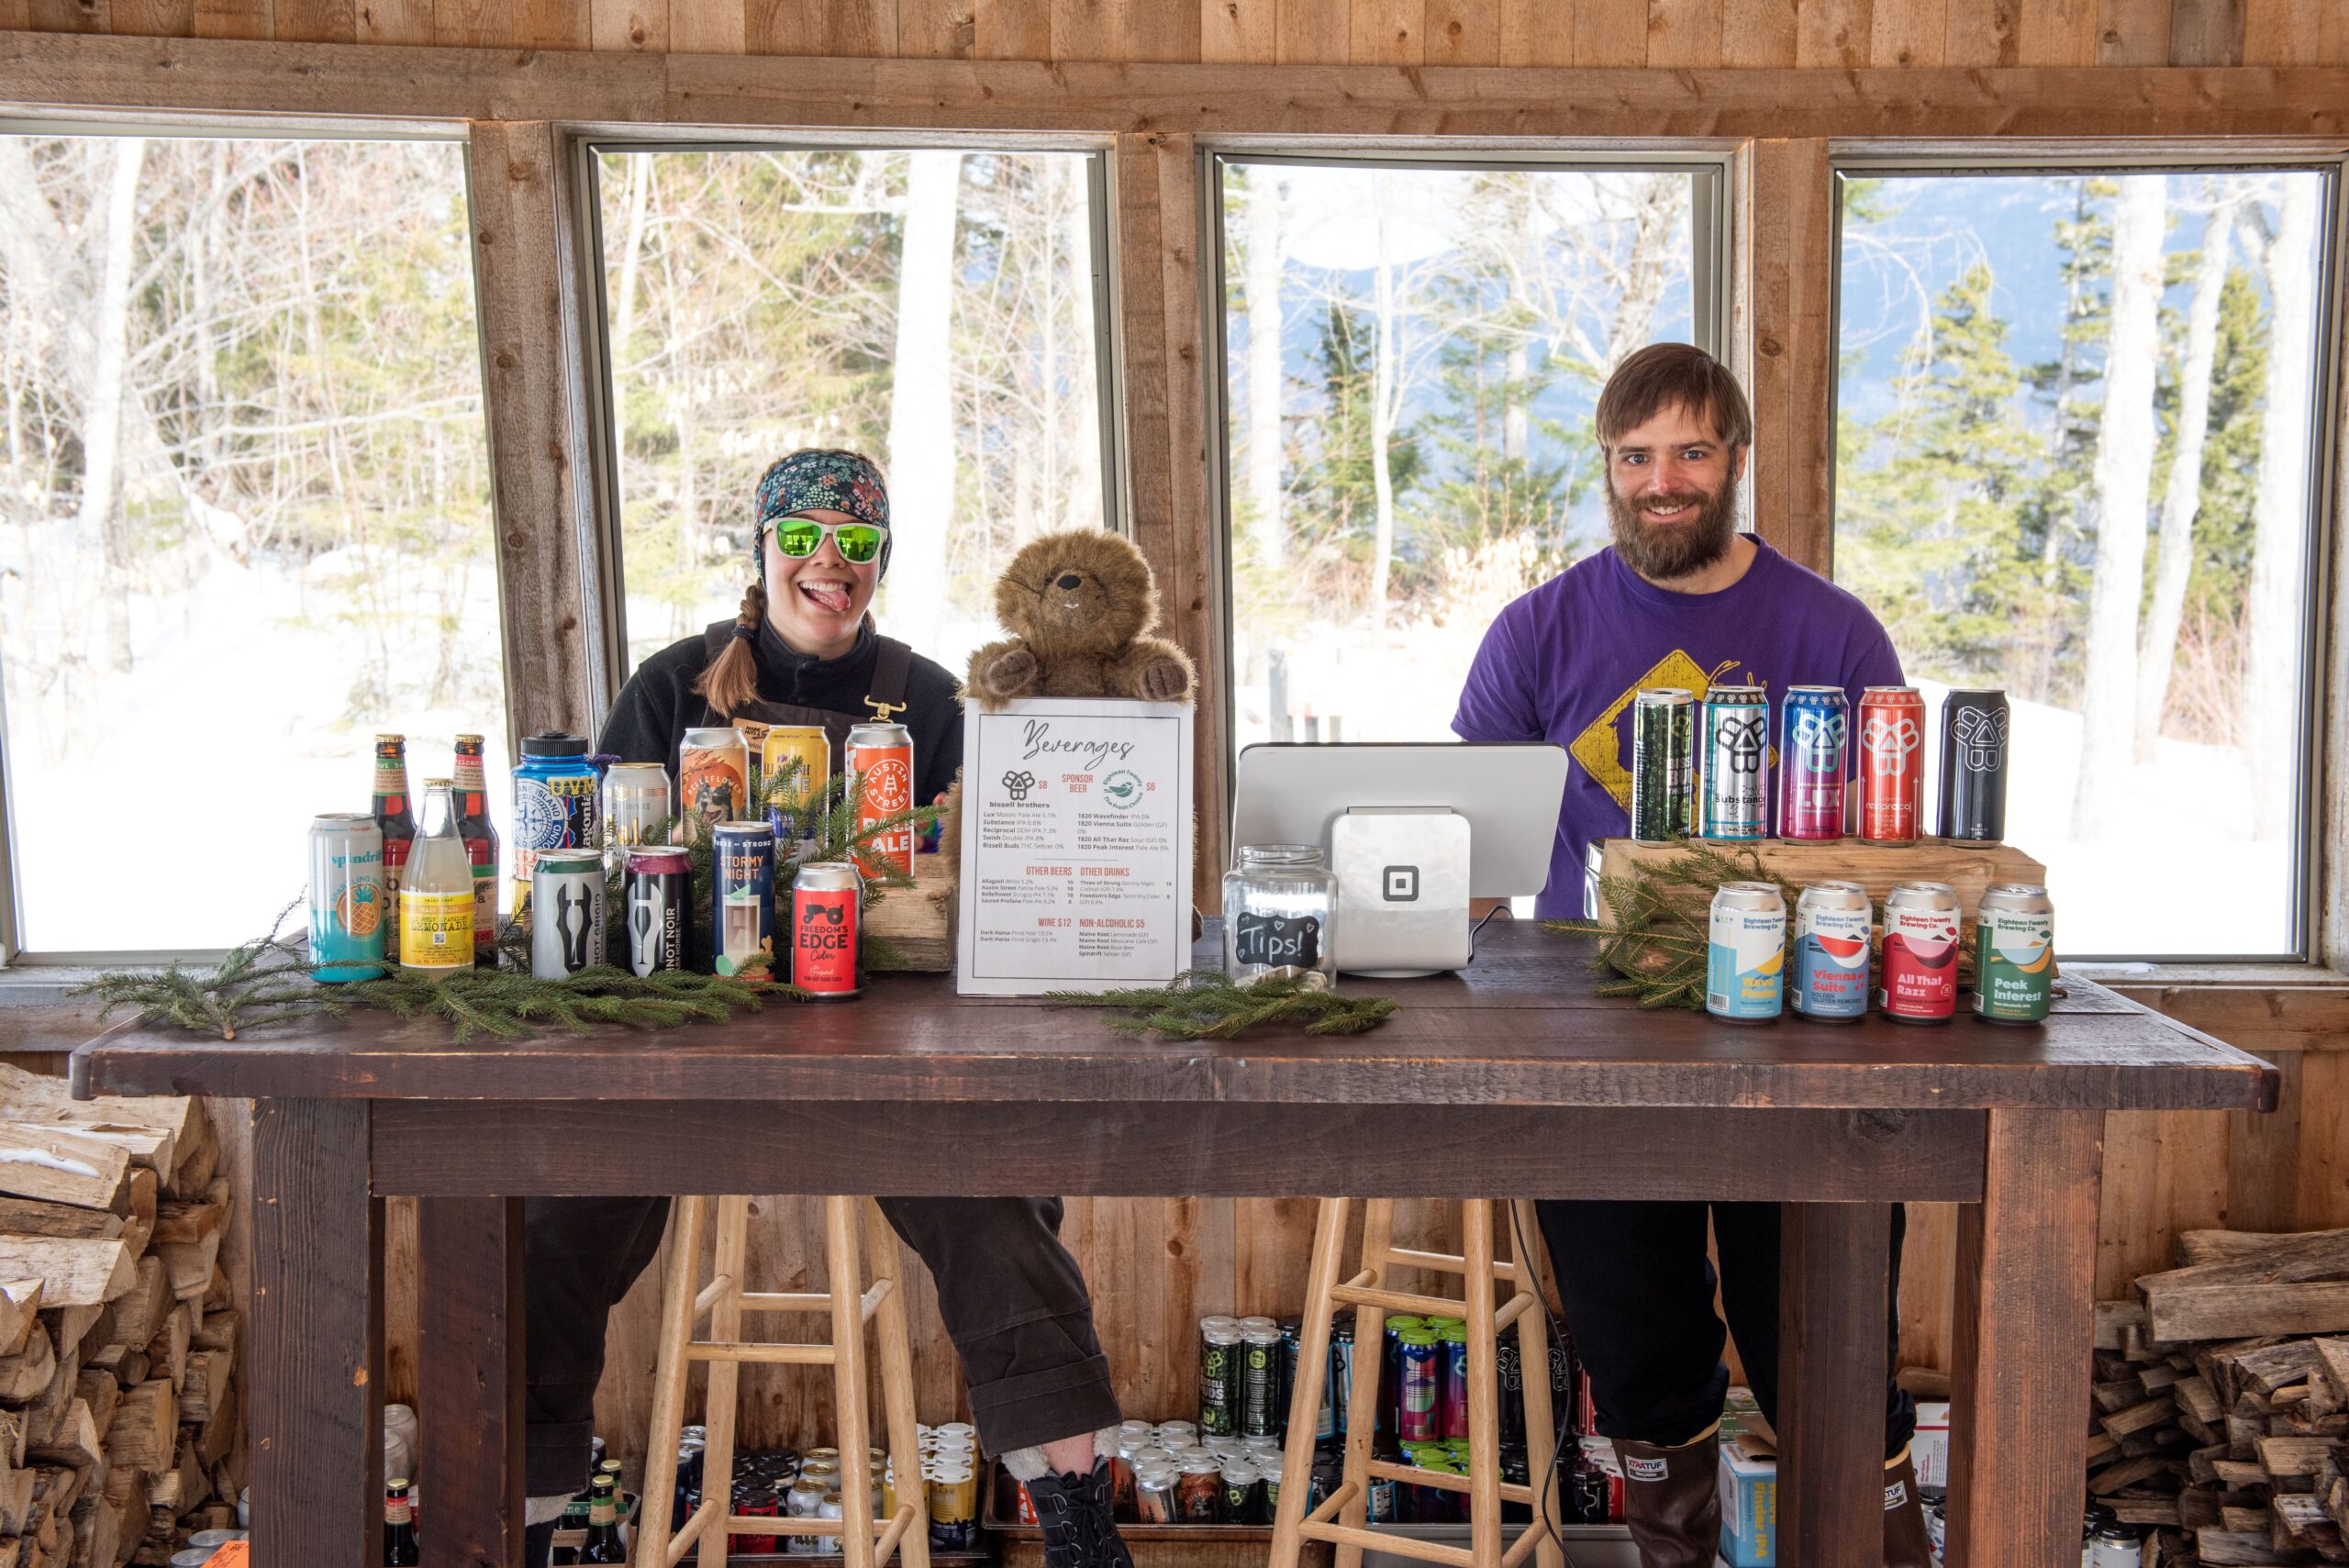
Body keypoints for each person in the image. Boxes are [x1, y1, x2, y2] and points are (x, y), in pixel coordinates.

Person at [521, 450, 1132, 1568]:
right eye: (801, 537)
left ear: (880, 561)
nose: (829, 564)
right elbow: (591, 863)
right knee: (554, 1215)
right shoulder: (673, 683)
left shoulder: (931, 695)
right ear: (761, 551)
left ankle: (1079, 1520)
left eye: (856, 544)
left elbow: (999, 870)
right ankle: (512, 1515)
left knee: (996, 1198)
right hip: (684, 1043)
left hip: (886, 1046)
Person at [1451, 346, 1931, 1568]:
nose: (1663, 480)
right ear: (1609, 469)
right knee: (1639, 1352)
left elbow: (1892, 853)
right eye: (1636, 455)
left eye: (1691, 452)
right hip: (1596, 1052)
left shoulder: (1832, 631)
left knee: (1828, 1347)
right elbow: (1472, 863)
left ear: (1734, 462)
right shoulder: (1536, 631)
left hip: (1803, 1050)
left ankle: (1879, 1545)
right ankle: (1676, 1547)